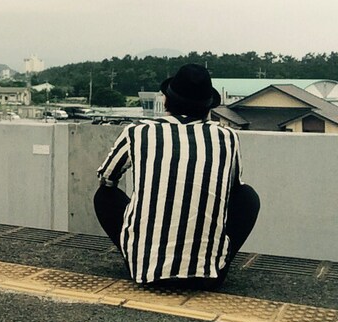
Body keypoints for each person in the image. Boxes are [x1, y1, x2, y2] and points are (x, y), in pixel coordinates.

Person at [94, 63, 260, 288]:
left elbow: (106, 178)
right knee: (248, 196)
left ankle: (143, 256)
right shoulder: (227, 137)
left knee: (104, 196)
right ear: (208, 107)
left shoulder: (138, 132)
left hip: (147, 273)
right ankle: (213, 261)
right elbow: (234, 189)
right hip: (208, 279)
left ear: (166, 101)